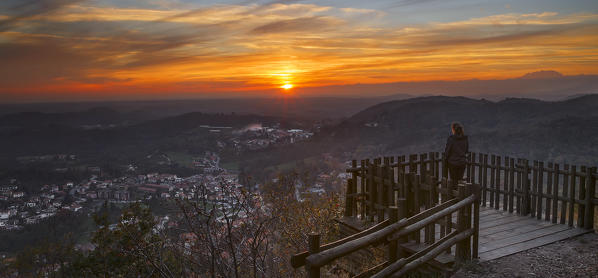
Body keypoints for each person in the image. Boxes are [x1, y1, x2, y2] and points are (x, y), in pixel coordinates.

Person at [444, 122, 468, 188]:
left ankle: (454, 196)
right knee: (459, 180)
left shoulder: (451, 139)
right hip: (462, 163)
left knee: (454, 181)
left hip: (453, 163)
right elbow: (466, 151)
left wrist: (446, 158)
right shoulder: (465, 139)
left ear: (453, 129)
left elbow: (447, 151)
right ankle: (460, 195)